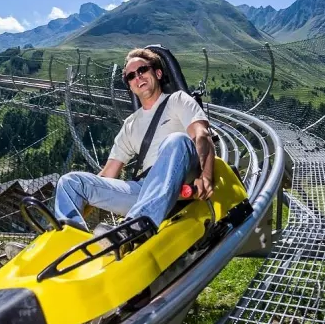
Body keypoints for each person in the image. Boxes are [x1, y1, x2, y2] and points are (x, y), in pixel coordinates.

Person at [53, 47, 215, 235]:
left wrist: (207, 176)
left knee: (176, 140)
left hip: (181, 180)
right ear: (130, 85)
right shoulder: (130, 124)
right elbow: (108, 174)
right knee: (70, 181)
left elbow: (202, 135)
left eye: (142, 70)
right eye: (131, 76)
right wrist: (85, 196)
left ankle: (137, 226)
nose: (138, 77)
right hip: (144, 188)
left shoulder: (178, 100)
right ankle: (66, 238)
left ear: (158, 73)